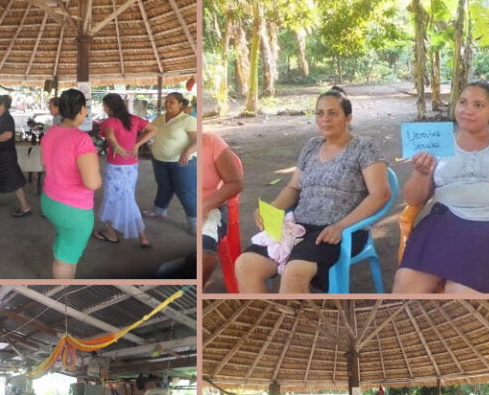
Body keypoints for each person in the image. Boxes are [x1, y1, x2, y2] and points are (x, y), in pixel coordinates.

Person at [394, 81, 489, 293]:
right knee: (405, 286)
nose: (468, 110)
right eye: (463, 102)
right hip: (443, 225)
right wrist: (421, 172)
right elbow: (414, 199)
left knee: (459, 294)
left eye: (478, 105)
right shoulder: (438, 142)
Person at [235, 87, 390, 293]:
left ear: (348, 117)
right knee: (246, 264)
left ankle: (299, 324)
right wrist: (270, 210)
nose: (325, 119)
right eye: (320, 113)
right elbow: (293, 187)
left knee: (294, 272)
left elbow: (381, 194)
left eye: (333, 113)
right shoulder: (312, 146)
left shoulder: (364, 147)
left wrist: (341, 226)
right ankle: (266, 321)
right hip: (298, 226)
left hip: (338, 231)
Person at [40, 88, 102, 278]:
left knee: (66, 247)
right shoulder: (81, 139)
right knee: (65, 260)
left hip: (50, 201)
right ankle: (61, 297)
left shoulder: (51, 132)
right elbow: (92, 183)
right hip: (73, 210)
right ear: (82, 110)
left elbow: (44, 163)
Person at [92, 92, 152, 247]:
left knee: (113, 198)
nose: (104, 108)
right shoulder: (133, 119)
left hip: (115, 167)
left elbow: (110, 136)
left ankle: (111, 233)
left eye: (104, 105)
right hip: (132, 166)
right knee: (127, 198)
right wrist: (137, 144)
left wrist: (117, 147)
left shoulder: (110, 121)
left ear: (109, 106)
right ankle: (142, 237)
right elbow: (154, 129)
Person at [133, 92, 197, 233]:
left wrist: (187, 152)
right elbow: (149, 132)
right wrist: (136, 144)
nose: (167, 104)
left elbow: (197, 140)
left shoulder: (188, 120)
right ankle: (159, 210)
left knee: (185, 190)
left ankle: (194, 221)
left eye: (172, 102)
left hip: (181, 162)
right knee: (164, 186)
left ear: (180, 104)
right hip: (159, 160)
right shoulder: (159, 119)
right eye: (166, 101)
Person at [201, 132, 245, 287]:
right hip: (195, 210)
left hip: (213, 207)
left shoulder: (211, 141)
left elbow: (235, 183)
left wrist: (205, 206)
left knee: (205, 258)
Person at [0, 95, 32, 217]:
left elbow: (8, 135)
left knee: (14, 180)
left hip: (6, 155)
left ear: (2, 105)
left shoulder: (7, 118)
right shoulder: (2, 117)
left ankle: (25, 207)